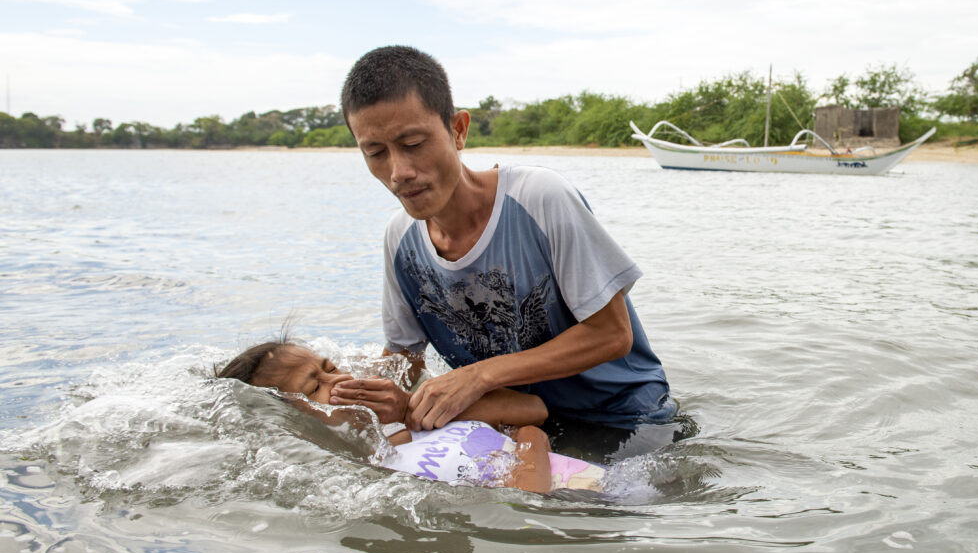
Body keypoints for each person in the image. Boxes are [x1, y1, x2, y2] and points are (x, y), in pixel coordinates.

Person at [331, 45, 679, 449]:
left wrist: (478, 376)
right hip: (517, 424)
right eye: (375, 153)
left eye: (413, 144)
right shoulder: (400, 239)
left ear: (458, 130)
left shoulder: (539, 198)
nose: (398, 172)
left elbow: (612, 335)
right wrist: (336, 397)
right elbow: (403, 362)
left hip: (625, 421)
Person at [215, 341, 605, 494]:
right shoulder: (352, 475)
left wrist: (407, 410)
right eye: (316, 387)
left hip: (611, 491)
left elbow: (534, 411)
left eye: (330, 367)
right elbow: (528, 500)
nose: (340, 380)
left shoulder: (418, 410)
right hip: (578, 515)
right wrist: (532, 441)